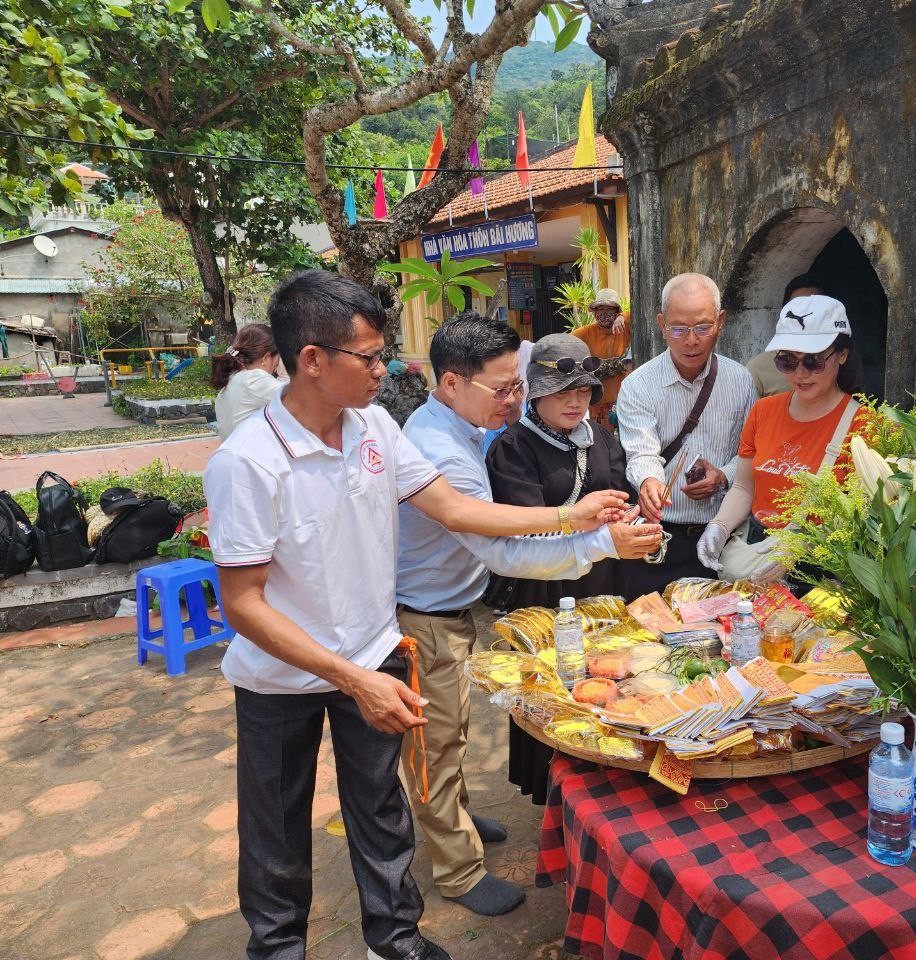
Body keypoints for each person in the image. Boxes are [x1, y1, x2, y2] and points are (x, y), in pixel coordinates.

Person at [205, 270, 628, 960]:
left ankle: (395, 941)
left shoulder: (374, 426)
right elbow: (244, 603)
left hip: (375, 655)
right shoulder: (248, 462)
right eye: (369, 356)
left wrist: (564, 515)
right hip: (282, 680)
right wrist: (349, 677)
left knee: (382, 812)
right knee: (277, 835)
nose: (386, 369)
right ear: (313, 359)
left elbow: (456, 510)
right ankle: (278, 948)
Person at [394, 313, 662, 919]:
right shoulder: (447, 450)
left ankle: (454, 817)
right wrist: (592, 535)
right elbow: (504, 550)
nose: (517, 399)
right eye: (505, 388)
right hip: (426, 611)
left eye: (518, 384)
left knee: (451, 729)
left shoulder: (461, 424)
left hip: (449, 603)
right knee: (435, 743)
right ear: (451, 382)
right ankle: (457, 873)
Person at [486, 333, 633, 805]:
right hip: (543, 590)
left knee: (606, 681)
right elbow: (522, 533)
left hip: (603, 583)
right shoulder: (513, 449)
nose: (576, 401)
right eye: (562, 392)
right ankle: (553, 794)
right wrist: (590, 522)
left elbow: (619, 490)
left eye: (585, 391)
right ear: (534, 393)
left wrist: (628, 518)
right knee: (550, 686)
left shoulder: (601, 437)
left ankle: (603, 783)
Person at [697, 295, 872, 580]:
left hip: (821, 571)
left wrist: (801, 547)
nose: (800, 374)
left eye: (813, 362)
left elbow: (863, 517)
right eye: (787, 361)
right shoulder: (764, 411)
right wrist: (720, 526)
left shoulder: (865, 426)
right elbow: (744, 486)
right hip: (756, 552)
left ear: (842, 354)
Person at [615, 272, 757, 597]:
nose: (691, 340)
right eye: (678, 328)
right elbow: (642, 452)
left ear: (720, 322)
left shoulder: (741, 381)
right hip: (659, 539)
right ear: (662, 324)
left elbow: (751, 452)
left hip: (721, 538)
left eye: (703, 327)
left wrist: (724, 475)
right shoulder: (638, 385)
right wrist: (650, 482)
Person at [745, 274, 826, 398]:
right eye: (785, 364)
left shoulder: (835, 361)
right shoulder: (758, 369)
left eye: (814, 307)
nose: (801, 374)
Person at [211, 323, 282, 440]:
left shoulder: (232, 380)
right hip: (254, 456)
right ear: (266, 358)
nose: (278, 364)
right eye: (278, 358)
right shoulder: (255, 379)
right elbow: (302, 398)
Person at [571, 287, 631, 426]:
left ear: (617, 312)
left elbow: (643, 313)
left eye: (609, 310)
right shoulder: (586, 333)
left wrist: (623, 317)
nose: (603, 314)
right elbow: (565, 344)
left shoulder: (626, 328)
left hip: (625, 403)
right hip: (597, 407)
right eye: (599, 310)